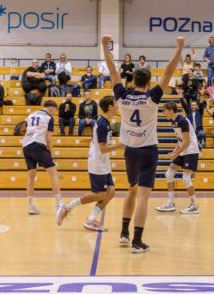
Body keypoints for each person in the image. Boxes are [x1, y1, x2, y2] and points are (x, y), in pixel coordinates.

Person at [102, 34, 184, 253]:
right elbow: (168, 72)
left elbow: (112, 70)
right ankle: (137, 242)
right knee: (143, 197)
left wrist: (104, 46)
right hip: (148, 150)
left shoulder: (121, 96)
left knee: (131, 189)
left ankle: (124, 233)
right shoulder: (152, 98)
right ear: (148, 83)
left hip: (130, 150)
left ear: (132, 82)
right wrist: (179, 48)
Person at [56, 96, 125, 230]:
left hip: (103, 163)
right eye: (116, 103)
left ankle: (91, 220)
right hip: (97, 163)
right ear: (110, 107)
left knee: (110, 192)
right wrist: (120, 146)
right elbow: (103, 148)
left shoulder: (106, 122)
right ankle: (67, 207)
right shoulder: (102, 124)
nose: (118, 106)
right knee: (100, 194)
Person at [156, 101, 200, 214]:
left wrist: (176, 154)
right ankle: (170, 204)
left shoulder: (182, 120)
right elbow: (180, 140)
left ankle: (194, 205)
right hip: (183, 150)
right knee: (169, 174)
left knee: (186, 178)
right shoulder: (174, 121)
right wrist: (174, 152)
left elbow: (187, 141)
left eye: (164, 111)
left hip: (191, 150)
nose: (163, 113)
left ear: (170, 110)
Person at [22, 100, 63, 215]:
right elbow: (49, 138)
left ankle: (31, 206)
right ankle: (60, 205)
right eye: (54, 111)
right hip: (38, 144)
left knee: (30, 177)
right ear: (51, 109)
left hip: (26, 145)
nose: (54, 114)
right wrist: (52, 153)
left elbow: (23, 128)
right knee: (53, 174)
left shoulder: (31, 114)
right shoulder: (49, 118)